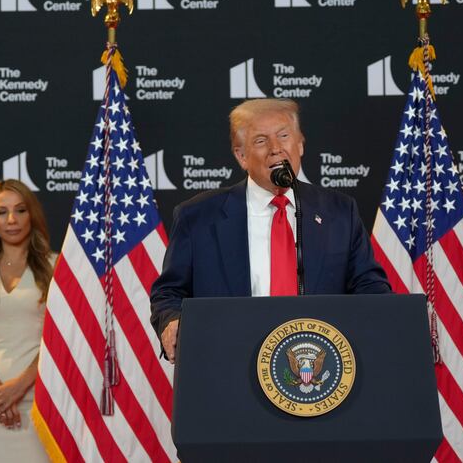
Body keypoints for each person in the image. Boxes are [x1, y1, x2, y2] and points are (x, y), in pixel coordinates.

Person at [150, 98, 391, 362]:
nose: (276, 149)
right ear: (241, 156)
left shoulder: (339, 212)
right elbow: (169, 293)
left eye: (284, 136)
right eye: (261, 140)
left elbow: (370, 288)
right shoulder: (198, 217)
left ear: (300, 144)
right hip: (229, 364)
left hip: (317, 372)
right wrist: (171, 321)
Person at [0, 179, 55, 462]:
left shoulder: (57, 267)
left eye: (20, 210)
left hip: (41, 400)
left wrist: (19, 387)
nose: (12, 220)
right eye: (2, 212)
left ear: (33, 214)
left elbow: (62, 340)